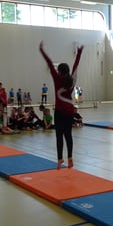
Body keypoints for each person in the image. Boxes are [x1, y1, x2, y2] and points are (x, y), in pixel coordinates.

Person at [39, 40, 84, 169]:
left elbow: (49, 63)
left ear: (58, 71)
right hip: (69, 111)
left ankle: (60, 159)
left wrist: (42, 50)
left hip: (59, 111)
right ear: (68, 71)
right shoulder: (72, 79)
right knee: (68, 134)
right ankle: (70, 157)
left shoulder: (57, 78)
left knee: (59, 135)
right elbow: (76, 65)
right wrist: (79, 52)